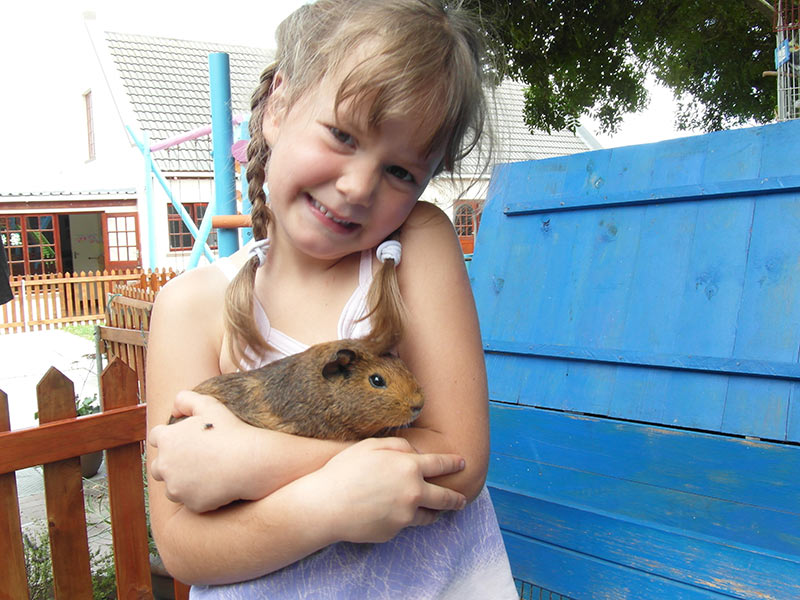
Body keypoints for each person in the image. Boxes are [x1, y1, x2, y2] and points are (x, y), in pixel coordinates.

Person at [146, 1, 518, 598]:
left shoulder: (416, 243)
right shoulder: (187, 306)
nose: (357, 186)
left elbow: (458, 461)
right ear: (278, 106)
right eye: (343, 135)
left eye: (401, 172)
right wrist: (322, 507)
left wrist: (255, 461)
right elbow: (183, 547)